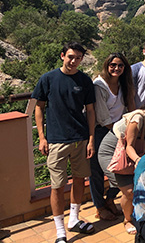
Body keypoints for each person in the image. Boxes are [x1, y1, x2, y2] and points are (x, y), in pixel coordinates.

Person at [31, 42, 96, 242]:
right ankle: (60, 231)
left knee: (79, 180)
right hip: (56, 141)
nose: (73, 61)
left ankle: (74, 220)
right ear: (62, 56)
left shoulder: (84, 80)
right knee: (57, 186)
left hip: (80, 139)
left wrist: (91, 139)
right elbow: (39, 108)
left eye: (78, 58)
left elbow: (91, 111)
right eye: (70, 57)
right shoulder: (48, 79)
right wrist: (42, 137)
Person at [98, 90, 145, 235]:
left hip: (134, 155)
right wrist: (140, 161)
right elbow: (129, 147)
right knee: (130, 191)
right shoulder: (139, 117)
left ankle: (115, 204)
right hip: (114, 152)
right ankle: (127, 220)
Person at [91, 53, 135, 222]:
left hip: (118, 131)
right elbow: (103, 117)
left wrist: (133, 126)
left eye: (120, 66)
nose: (116, 68)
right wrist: (122, 134)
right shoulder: (99, 85)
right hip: (102, 130)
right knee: (96, 170)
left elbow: (130, 107)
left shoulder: (125, 84)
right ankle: (99, 206)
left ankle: (109, 199)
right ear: (107, 66)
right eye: (113, 65)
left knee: (122, 167)